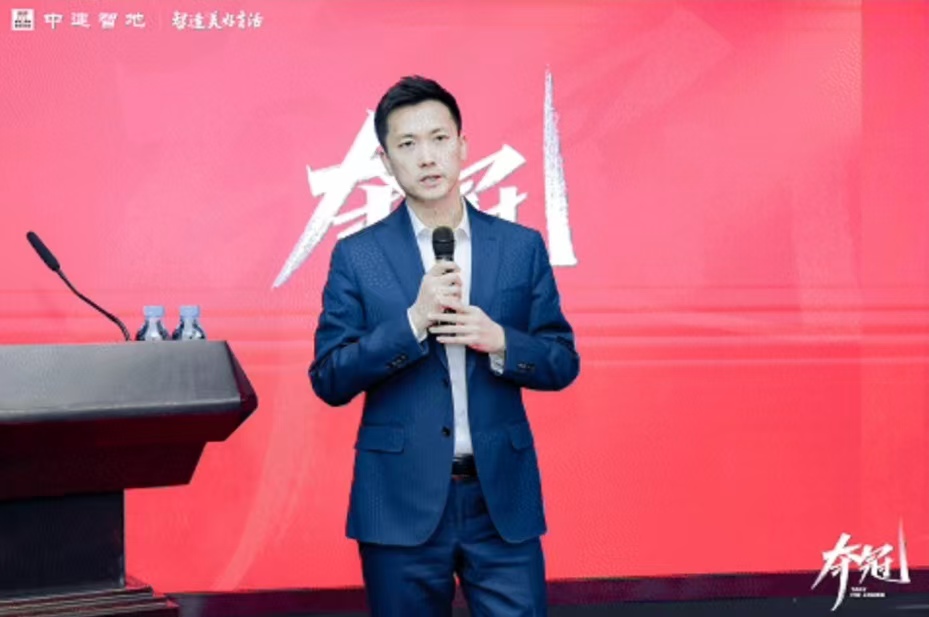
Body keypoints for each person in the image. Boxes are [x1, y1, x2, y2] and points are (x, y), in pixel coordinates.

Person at [309, 75, 580, 617]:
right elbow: (330, 377)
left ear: (462, 146)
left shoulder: (520, 247)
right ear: (386, 161)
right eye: (408, 144)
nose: (427, 157)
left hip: (500, 499)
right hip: (398, 500)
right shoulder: (358, 256)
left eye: (439, 138)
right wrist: (412, 322)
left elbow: (561, 360)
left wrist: (500, 342)